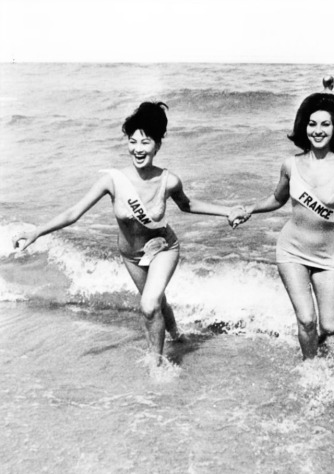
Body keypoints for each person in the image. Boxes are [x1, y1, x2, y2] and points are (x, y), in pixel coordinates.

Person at [13, 102, 238, 366]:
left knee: (149, 304)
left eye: (145, 142)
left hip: (163, 248)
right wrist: (38, 231)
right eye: (132, 141)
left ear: (157, 145)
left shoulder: (169, 181)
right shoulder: (113, 180)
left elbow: (188, 205)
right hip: (132, 256)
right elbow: (75, 213)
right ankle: (176, 333)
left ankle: (156, 363)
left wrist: (227, 211)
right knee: (155, 301)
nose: (138, 149)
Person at [230, 91, 334, 359]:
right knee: (306, 319)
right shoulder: (290, 164)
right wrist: (250, 209)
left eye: (325, 124)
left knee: (329, 326)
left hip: (327, 255)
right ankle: (311, 369)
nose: (318, 131)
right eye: (312, 124)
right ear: (303, 127)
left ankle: (313, 345)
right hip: (291, 250)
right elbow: (277, 198)